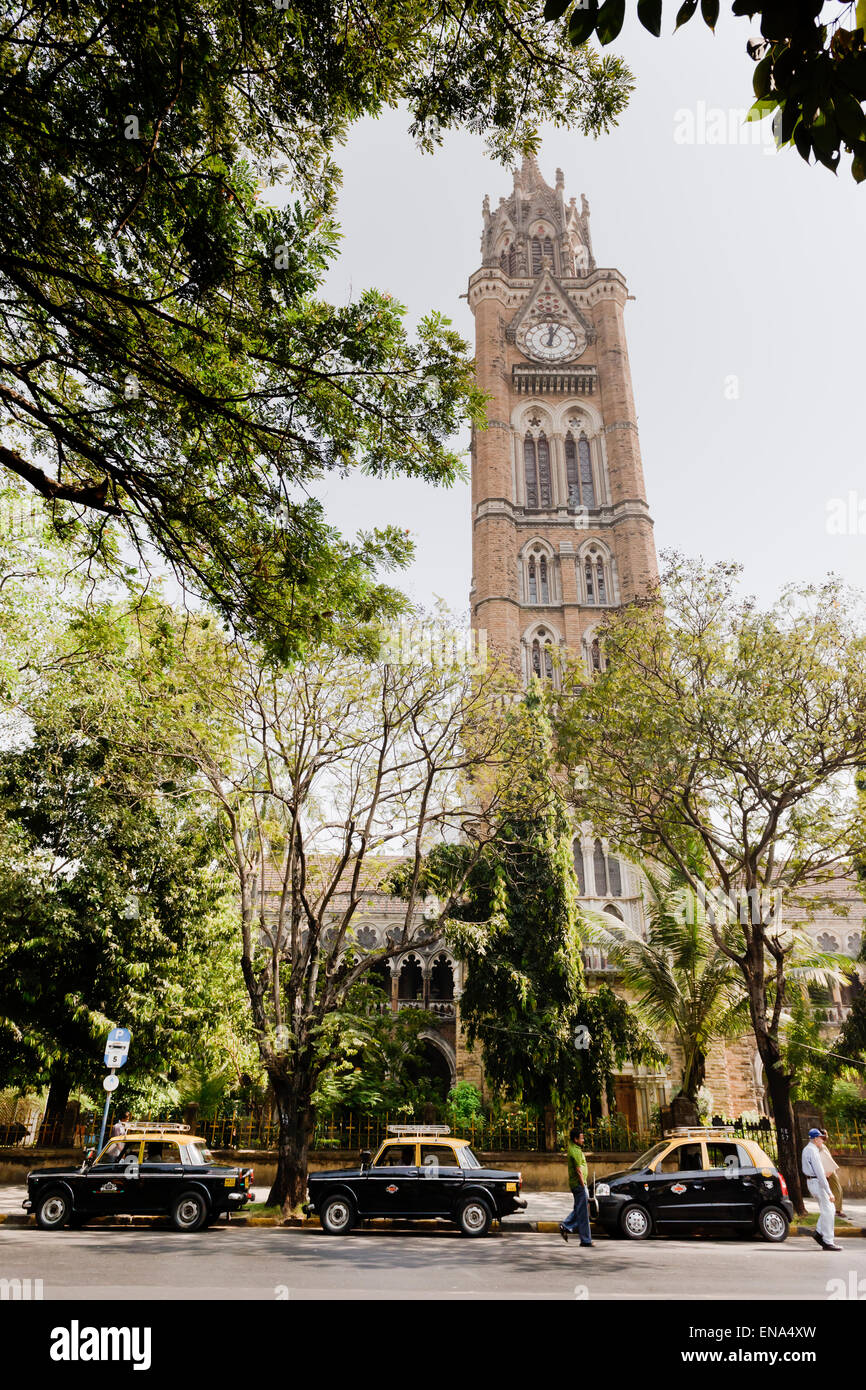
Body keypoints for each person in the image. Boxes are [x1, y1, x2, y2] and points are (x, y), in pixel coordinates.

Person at [801, 1127, 841, 1251]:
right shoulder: (813, 1151)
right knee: (829, 1210)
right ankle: (828, 1241)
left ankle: (819, 1233)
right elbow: (819, 1173)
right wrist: (830, 1192)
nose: (822, 1141)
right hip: (817, 1182)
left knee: (828, 1209)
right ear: (816, 1139)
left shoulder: (807, 1149)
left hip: (811, 1182)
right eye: (821, 1139)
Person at [560, 1127, 593, 1247]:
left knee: (581, 1209)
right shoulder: (575, 1151)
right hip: (579, 1185)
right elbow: (578, 1170)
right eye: (581, 1138)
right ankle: (585, 1240)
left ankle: (567, 1226)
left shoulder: (575, 1149)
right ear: (575, 1139)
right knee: (583, 1213)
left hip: (578, 1185)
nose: (583, 1140)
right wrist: (583, 1184)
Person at [820, 1130, 848, 1221]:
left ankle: (836, 1209)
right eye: (826, 1134)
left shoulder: (821, 1146)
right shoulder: (821, 1147)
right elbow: (826, 1160)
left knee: (834, 1190)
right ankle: (838, 1210)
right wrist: (832, 1170)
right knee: (837, 1189)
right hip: (829, 1171)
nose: (827, 1136)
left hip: (829, 1171)